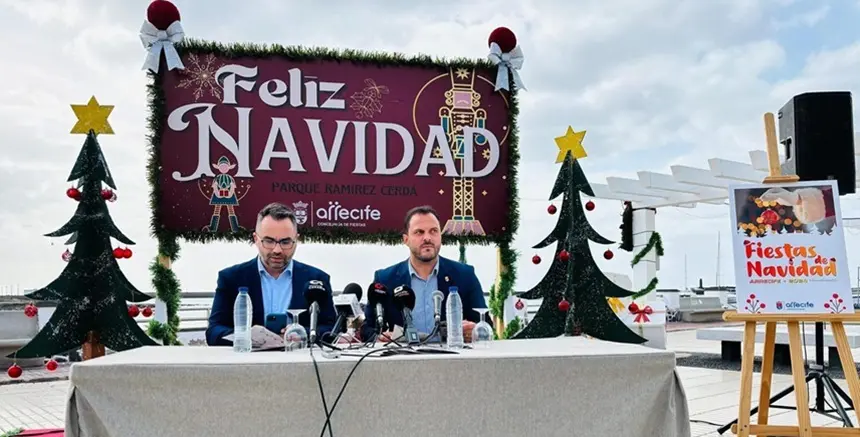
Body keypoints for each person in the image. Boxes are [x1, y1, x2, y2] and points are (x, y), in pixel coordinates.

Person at [206, 202, 337, 346]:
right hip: (248, 364)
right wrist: (246, 337)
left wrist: (301, 333)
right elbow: (213, 332)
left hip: (300, 363)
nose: (277, 250)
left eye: (285, 242)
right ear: (256, 239)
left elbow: (332, 330)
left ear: (296, 240)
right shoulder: (231, 278)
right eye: (269, 241)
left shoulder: (317, 279)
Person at [360, 205, 490, 343]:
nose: (427, 238)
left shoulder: (465, 275)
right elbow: (368, 329)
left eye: (433, 231)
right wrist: (381, 338)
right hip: (402, 360)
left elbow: (485, 323)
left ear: (441, 236)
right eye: (419, 232)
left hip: (453, 360)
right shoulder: (385, 279)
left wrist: (474, 330)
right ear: (406, 240)